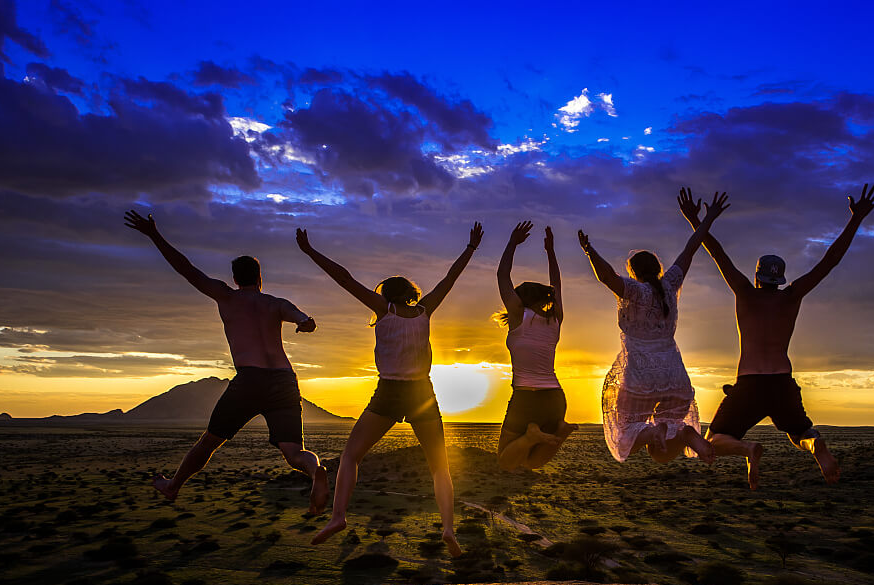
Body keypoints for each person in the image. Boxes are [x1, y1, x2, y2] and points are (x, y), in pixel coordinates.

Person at [123, 210, 329, 514]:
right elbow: (304, 319)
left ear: (235, 279)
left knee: (209, 442)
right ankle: (315, 470)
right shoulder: (275, 303)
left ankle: (173, 486)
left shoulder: (226, 296)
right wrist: (305, 323)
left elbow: (186, 269)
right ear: (260, 277)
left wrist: (154, 235)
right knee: (295, 452)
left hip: (250, 380)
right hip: (284, 380)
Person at [679, 184, 874, 489]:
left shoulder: (745, 293)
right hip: (782, 382)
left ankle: (747, 450)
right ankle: (815, 446)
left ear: (757, 276)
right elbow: (830, 261)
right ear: (780, 279)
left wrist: (696, 219)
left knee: (714, 441)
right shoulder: (792, 296)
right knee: (799, 433)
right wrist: (856, 218)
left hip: (750, 383)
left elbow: (717, 254)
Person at [297, 223, 484, 557]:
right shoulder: (425, 311)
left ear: (385, 295)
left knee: (351, 456)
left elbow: (344, 279)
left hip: (389, 392)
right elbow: (449, 279)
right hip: (422, 393)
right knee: (440, 466)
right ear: (411, 293)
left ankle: (338, 516)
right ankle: (448, 528)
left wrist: (310, 252)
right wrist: (470, 248)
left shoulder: (384, 310)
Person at [579, 191, 729, 464]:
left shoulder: (634, 291)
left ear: (633, 271)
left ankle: (652, 432)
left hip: (640, 376)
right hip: (674, 376)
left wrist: (590, 251)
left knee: (624, 433)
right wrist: (707, 219)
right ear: (658, 268)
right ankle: (687, 435)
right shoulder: (669, 285)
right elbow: (690, 249)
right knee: (666, 446)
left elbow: (606, 276)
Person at [494, 221, 577, 471]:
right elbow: (557, 284)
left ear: (519, 300)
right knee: (534, 462)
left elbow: (502, 276)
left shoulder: (519, 315)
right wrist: (550, 251)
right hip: (554, 397)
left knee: (506, 462)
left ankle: (531, 436)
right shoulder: (555, 318)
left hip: (526, 396)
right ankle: (560, 431)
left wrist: (512, 243)